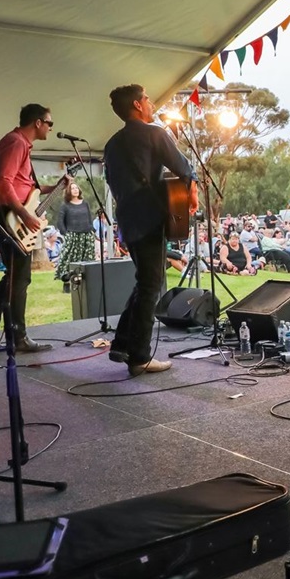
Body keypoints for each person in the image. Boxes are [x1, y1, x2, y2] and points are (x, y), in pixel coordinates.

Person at [104, 84, 197, 376]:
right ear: (136, 104)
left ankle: (122, 344)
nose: (150, 102)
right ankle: (140, 357)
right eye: (146, 98)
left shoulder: (111, 144)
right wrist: (191, 192)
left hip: (128, 219)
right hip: (150, 217)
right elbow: (184, 168)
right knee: (151, 286)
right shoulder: (155, 133)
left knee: (145, 281)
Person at [0, 104, 57, 353]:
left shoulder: (19, 144)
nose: (51, 128)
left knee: (14, 276)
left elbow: (24, 186)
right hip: (6, 214)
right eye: (50, 123)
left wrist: (57, 186)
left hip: (7, 213)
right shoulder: (16, 142)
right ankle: (17, 337)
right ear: (38, 123)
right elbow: (3, 182)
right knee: (20, 276)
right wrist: (23, 213)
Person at [54, 181, 93, 284]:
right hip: (73, 235)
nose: (75, 190)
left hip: (86, 235)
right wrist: (65, 233)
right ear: (68, 191)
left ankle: (86, 279)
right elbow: (60, 221)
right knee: (70, 258)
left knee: (87, 258)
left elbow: (89, 218)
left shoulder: (85, 203)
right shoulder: (65, 205)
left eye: (76, 188)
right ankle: (66, 279)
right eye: (72, 188)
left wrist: (91, 229)